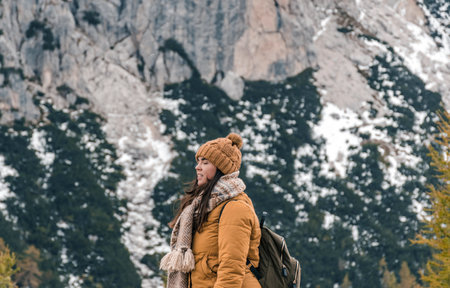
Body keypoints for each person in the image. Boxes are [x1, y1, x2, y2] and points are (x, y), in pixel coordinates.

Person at [160, 133, 261, 288]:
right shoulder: (203, 206)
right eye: (198, 161)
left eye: (205, 162)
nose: (197, 167)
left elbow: (231, 270)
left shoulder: (235, 208)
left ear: (221, 168)